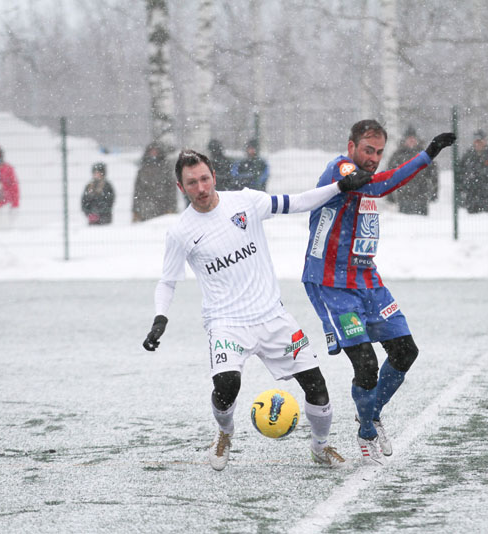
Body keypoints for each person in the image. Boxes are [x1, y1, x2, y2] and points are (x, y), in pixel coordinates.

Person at [141, 148, 374, 471]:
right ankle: (224, 433)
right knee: (226, 386)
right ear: (181, 187)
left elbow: (297, 202)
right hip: (226, 323)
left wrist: (339, 187)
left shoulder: (246, 202)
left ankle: (320, 447)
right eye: (192, 183)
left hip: (273, 317)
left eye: (205, 179)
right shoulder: (180, 232)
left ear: (214, 176)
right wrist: (160, 318)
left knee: (317, 388)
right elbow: (167, 282)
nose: (201, 188)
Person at [301, 119, 455, 465]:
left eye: (379, 152)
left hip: (368, 279)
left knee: (405, 352)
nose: (373, 158)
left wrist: (425, 155)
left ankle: (369, 414)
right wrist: (427, 155)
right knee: (366, 364)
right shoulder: (341, 169)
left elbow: (377, 184)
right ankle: (367, 431)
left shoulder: (367, 179)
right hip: (333, 285)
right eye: (367, 150)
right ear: (351, 146)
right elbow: (373, 182)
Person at [386, 126, 439, 215]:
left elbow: (433, 175)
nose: (411, 141)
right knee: (404, 220)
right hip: (403, 196)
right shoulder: (397, 155)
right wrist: (389, 195)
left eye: (413, 138)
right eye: (409, 138)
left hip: (421, 196)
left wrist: (434, 192)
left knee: (421, 221)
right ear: (405, 140)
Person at [133, 142, 177, 222]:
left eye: (156, 151)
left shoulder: (166, 168)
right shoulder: (143, 169)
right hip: (145, 209)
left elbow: (171, 190)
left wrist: (171, 208)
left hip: (163, 207)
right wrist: (136, 211)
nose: (153, 153)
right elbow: (137, 191)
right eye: (152, 151)